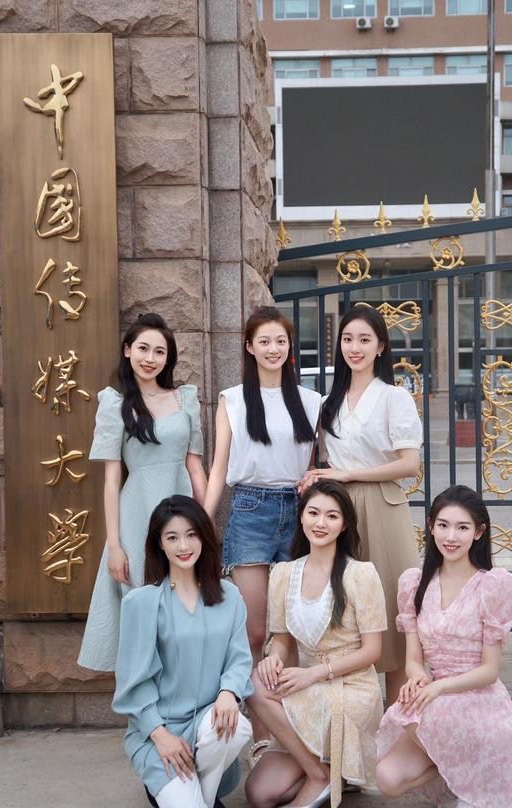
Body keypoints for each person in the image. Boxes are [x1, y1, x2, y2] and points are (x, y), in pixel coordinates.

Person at [204, 306, 321, 756]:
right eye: (264, 341)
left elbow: (317, 467)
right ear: (249, 347)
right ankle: (263, 731)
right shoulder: (233, 400)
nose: (273, 349)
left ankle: (294, 725)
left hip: (299, 512)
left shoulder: (310, 401)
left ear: (290, 348)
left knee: (291, 628)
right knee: (255, 631)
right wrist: (204, 521)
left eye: (281, 341)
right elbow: (218, 469)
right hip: (250, 509)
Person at [301, 305, 422, 704]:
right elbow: (321, 460)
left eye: (365, 340)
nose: (355, 347)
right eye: (348, 339)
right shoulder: (328, 402)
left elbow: (409, 464)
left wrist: (350, 474)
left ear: (380, 346)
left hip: (384, 506)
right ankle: (351, 712)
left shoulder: (394, 397)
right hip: (338, 508)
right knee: (345, 604)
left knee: (392, 605)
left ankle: (399, 717)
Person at [375, 485, 512, 808]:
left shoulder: (492, 585)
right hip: (436, 694)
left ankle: (472, 777)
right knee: (387, 778)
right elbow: (413, 659)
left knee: (428, 715)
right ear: (430, 527)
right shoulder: (414, 583)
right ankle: (453, 775)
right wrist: (417, 676)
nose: (451, 536)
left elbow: (489, 671)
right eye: (443, 525)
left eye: (462, 527)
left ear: (479, 532)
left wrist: (438, 687)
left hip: (479, 700)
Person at [245, 480, 386, 808]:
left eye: (332, 516)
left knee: (255, 689)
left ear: (344, 524)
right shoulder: (283, 573)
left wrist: (314, 674)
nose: (321, 523)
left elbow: (372, 652)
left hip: (350, 688)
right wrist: (273, 658)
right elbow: (282, 640)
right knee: (260, 794)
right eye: (313, 513)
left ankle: (320, 776)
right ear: (302, 517)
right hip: (309, 686)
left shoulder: (360, 574)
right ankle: (326, 771)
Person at [78, 313, 207, 671]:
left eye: (159, 352)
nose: (150, 358)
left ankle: (181, 692)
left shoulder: (185, 399)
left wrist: (207, 523)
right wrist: (115, 546)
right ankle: (142, 698)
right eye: (143, 349)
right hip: (136, 514)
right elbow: (111, 479)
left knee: (184, 600)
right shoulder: (114, 404)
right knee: (141, 604)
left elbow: (196, 468)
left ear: (168, 358)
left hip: (183, 511)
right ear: (128, 351)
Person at [112, 495, 253, 808]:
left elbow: (239, 658)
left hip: (208, 725)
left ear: (203, 537)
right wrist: (160, 737)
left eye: (191, 534)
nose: (183, 546)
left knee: (238, 727)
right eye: (172, 537)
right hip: (161, 732)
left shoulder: (229, 596)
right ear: (159, 544)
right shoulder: (142, 603)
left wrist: (229, 691)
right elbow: (134, 684)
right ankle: (191, 794)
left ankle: (200, 794)